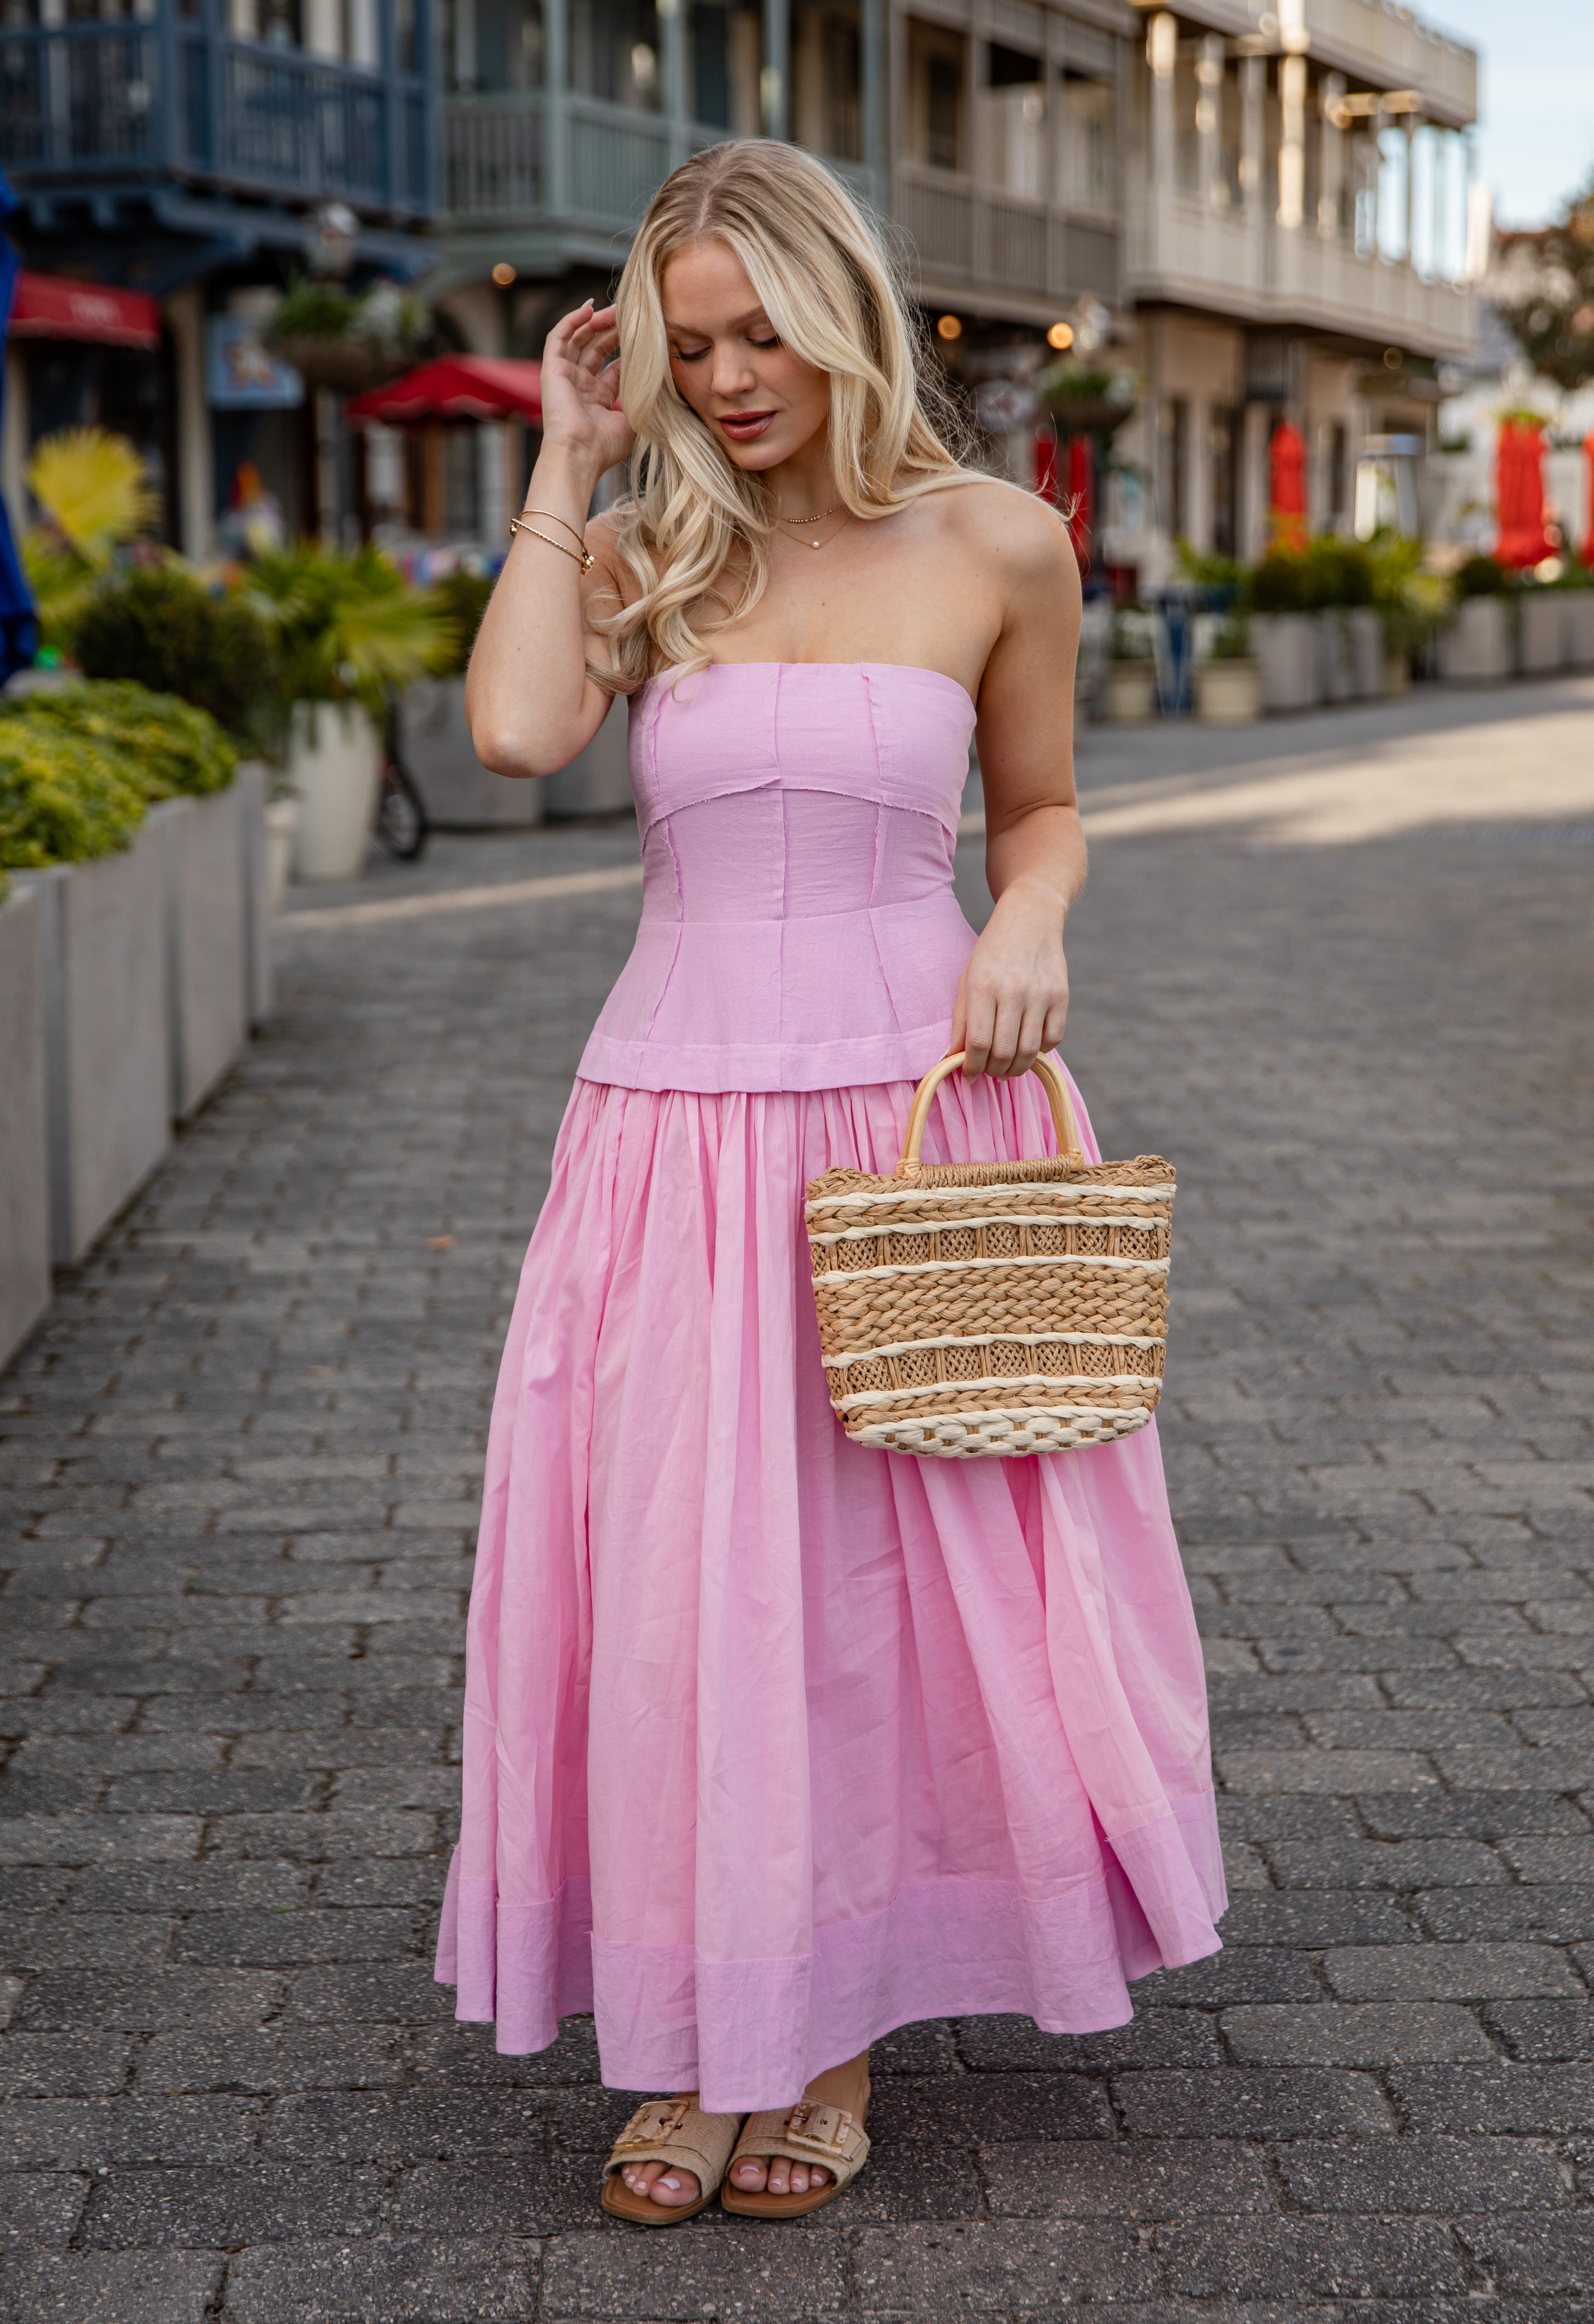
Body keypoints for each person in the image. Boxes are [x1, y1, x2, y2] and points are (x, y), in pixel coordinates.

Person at [436, 139, 1223, 2226]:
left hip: (905, 1114)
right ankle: (690, 2042)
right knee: (683, 1594)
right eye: (689, 345)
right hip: (672, 1128)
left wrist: (1028, 919)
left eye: (760, 327)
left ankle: (825, 2030)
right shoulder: (644, 552)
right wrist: (566, 457)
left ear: (844, 307)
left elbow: (1040, 809)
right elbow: (514, 732)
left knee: (864, 1603)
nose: (729, 375)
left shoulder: (994, 545)